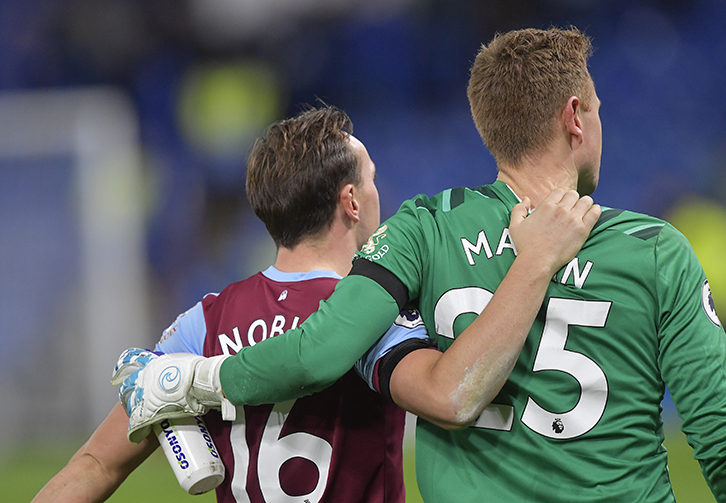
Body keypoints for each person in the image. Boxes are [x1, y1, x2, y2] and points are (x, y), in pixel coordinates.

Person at [118, 26, 726, 502]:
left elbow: (317, 353)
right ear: (573, 117)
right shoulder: (654, 248)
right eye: (595, 108)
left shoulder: (423, 231)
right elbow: (717, 431)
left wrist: (191, 380)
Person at [33, 104, 595, 502]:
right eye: (371, 180)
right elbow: (453, 395)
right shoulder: (378, 319)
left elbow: (96, 463)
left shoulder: (197, 327)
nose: (379, 192)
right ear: (351, 201)